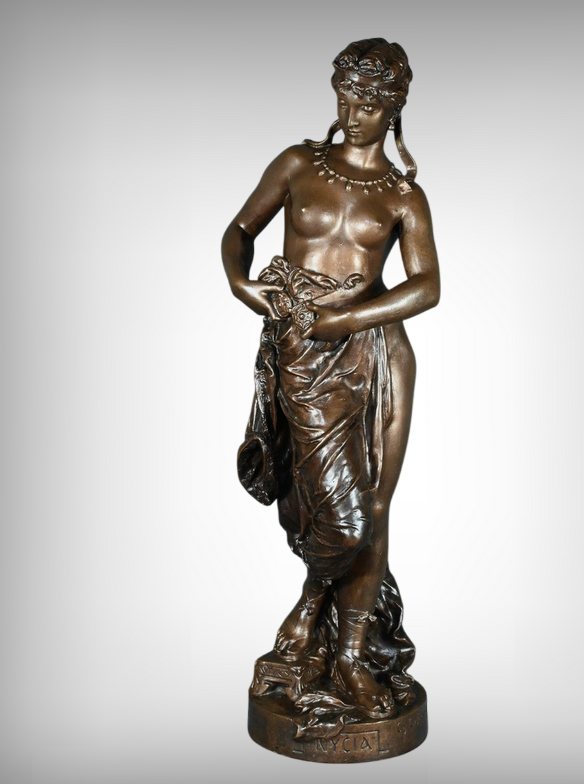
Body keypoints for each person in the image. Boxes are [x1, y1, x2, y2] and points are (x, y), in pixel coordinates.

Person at [223, 39, 440, 722]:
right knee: (328, 512)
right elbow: (240, 229)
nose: (352, 114)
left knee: (371, 507)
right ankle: (314, 606)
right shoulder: (298, 163)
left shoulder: (404, 196)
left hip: (375, 355)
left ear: (394, 110)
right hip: (301, 351)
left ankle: (346, 654)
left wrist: (347, 318)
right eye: (345, 98)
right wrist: (239, 281)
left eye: (368, 105)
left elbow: (428, 286)